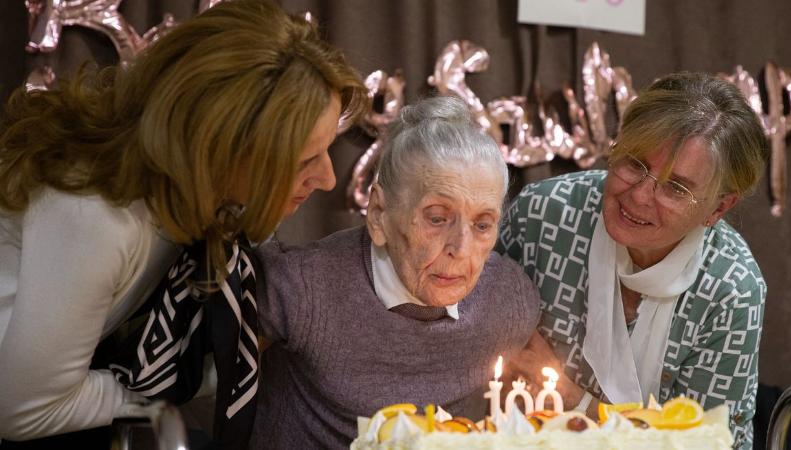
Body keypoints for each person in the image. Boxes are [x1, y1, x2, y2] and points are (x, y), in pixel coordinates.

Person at [0, 0, 367, 447]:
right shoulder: (96, 213)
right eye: (305, 159)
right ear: (222, 145)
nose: (328, 178)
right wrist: (168, 385)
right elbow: (24, 411)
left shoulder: (207, 198)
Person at [248, 95, 541, 449]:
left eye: (482, 225)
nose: (461, 249)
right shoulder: (301, 287)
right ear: (379, 215)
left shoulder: (510, 301)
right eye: (436, 218)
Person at [497, 72, 768, 450]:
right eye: (634, 163)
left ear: (719, 208)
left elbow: (711, 444)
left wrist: (578, 403)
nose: (640, 196)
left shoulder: (731, 291)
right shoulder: (543, 216)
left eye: (676, 187)